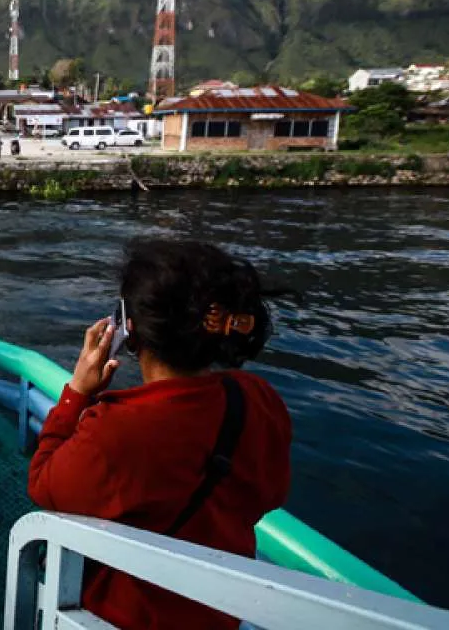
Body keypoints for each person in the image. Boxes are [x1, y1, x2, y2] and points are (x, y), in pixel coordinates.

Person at [28, 238, 292, 630]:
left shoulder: (117, 429)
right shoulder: (258, 400)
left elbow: (42, 484)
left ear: (129, 331)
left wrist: (78, 392)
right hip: (218, 614)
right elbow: (271, 493)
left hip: (123, 617)